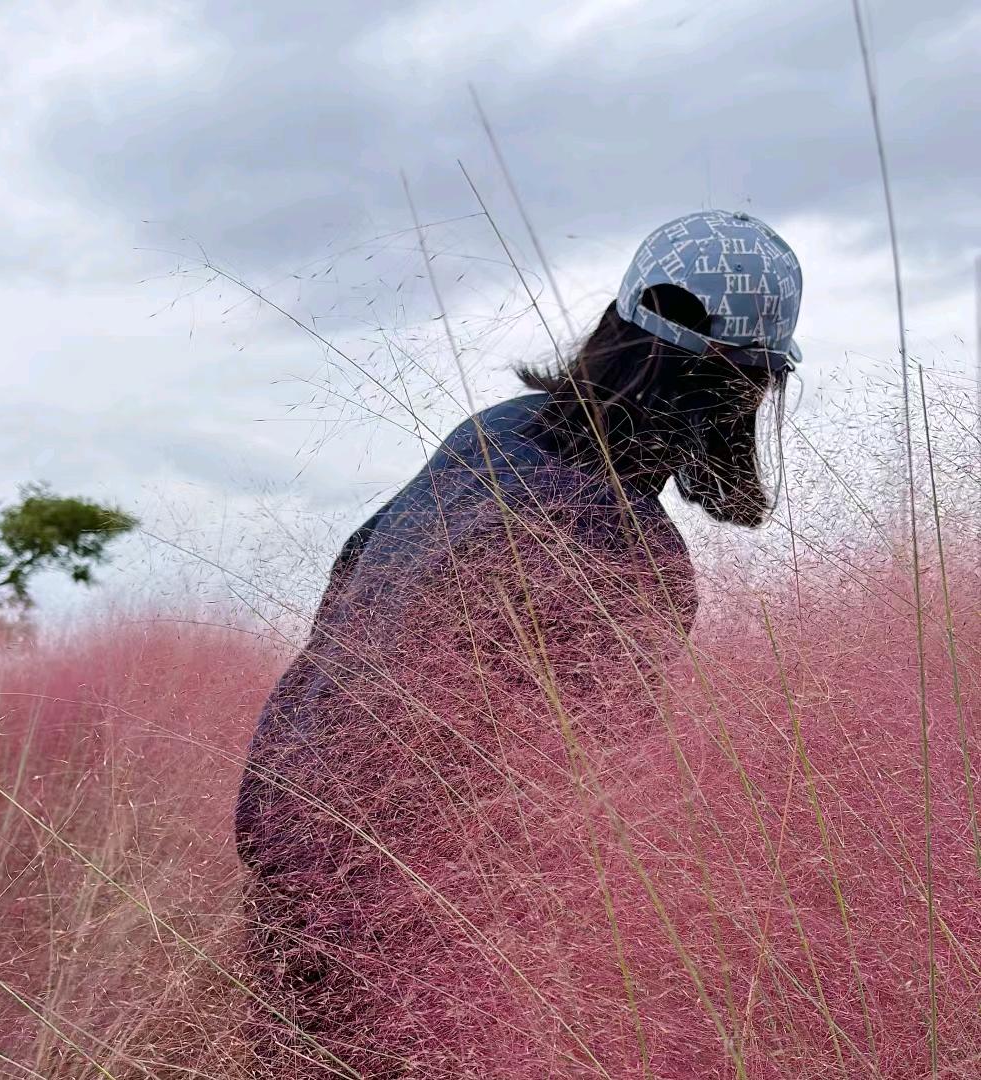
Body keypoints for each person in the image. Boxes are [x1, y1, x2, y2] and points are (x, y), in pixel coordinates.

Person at [234, 209, 803, 1077]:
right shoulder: (634, 554)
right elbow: (576, 798)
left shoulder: (493, 431)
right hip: (403, 913)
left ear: (614, 325)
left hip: (285, 832)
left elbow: (346, 592)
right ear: (749, 387)